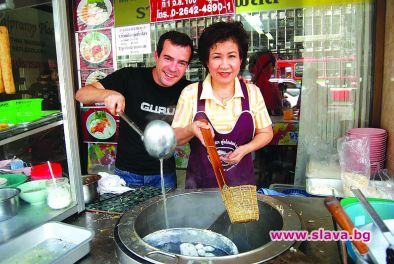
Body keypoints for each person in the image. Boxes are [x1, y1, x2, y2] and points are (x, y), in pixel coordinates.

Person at [75, 31, 193, 188]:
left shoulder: (188, 90)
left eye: (181, 63)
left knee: (165, 213)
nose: (173, 68)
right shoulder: (130, 77)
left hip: (164, 175)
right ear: (156, 56)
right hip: (127, 173)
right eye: (168, 58)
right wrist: (108, 93)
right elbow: (81, 94)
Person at [171, 22, 273, 189]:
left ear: (241, 59)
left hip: (242, 190)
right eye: (217, 56)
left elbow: (266, 133)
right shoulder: (190, 94)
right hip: (199, 190)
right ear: (206, 61)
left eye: (232, 56)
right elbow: (174, 139)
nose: (225, 65)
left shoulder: (252, 93)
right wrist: (190, 129)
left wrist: (246, 149)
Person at [250, 51, 282, 116]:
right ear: (266, 69)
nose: (272, 70)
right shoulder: (272, 87)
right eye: (271, 67)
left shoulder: (250, 87)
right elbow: (278, 112)